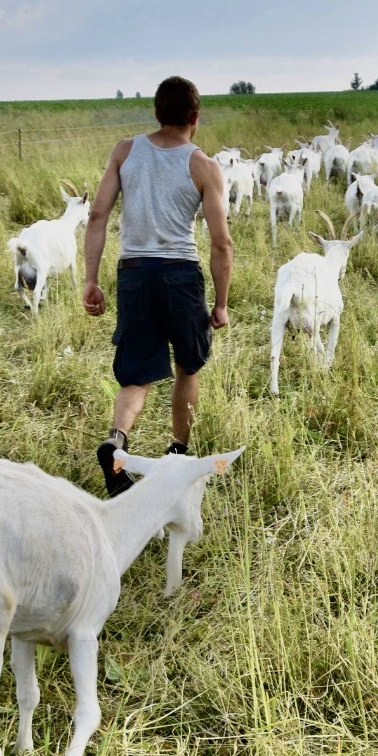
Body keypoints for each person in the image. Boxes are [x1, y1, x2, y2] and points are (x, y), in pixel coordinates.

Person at [82, 76, 232, 496]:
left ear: (156, 113)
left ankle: (117, 441)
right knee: (188, 365)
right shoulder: (204, 165)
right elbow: (221, 242)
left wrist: (91, 279)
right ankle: (179, 454)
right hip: (180, 275)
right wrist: (220, 304)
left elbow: (97, 215)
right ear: (195, 119)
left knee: (135, 375)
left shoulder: (126, 150)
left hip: (133, 274)